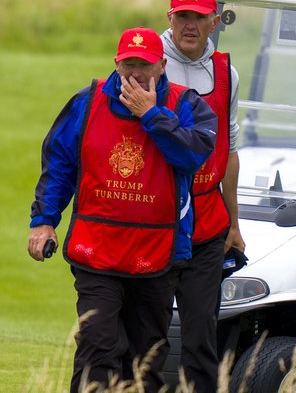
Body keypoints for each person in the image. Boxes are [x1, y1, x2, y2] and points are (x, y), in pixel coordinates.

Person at [27, 27, 217, 392]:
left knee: (146, 359)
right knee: (98, 343)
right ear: (116, 63)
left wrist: (151, 115)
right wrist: (44, 222)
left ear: (162, 66)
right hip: (96, 249)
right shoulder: (87, 102)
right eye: (128, 65)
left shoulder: (186, 105)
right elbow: (60, 164)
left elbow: (192, 155)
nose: (135, 75)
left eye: (144, 66)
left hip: (158, 252)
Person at [161, 0, 246, 393]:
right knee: (147, 336)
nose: (190, 25)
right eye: (183, 16)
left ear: (214, 21)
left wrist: (234, 222)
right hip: (155, 215)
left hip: (207, 221)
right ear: (170, 19)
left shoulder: (226, 72)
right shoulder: (147, 61)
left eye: (199, 17)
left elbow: (229, 150)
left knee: (200, 336)